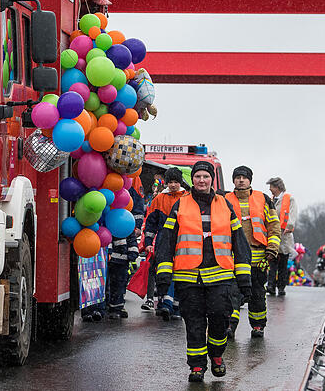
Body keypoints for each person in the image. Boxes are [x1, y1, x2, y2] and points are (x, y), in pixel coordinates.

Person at [154, 161, 251, 382]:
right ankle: (197, 367)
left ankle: (216, 356)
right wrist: (163, 274)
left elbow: (239, 242)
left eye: (205, 177)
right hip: (188, 277)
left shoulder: (225, 205)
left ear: (211, 180)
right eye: (197, 176)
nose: (201, 180)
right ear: (193, 180)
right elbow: (167, 241)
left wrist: (244, 277)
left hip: (220, 276)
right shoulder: (180, 205)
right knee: (194, 322)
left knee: (220, 319)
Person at [225, 166, 281, 338]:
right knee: (231, 294)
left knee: (257, 294)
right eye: (238, 177)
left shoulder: (263, 199)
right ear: (233, 180)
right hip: (232, 258)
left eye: (244, 177)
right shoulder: (223, 199)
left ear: (250, 180)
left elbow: (273, 226)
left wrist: (272, 251)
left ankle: (258, 326)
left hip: (258, 259)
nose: (241, 180)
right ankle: (229, 326)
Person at [143, 167, 187, 320]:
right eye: (170, 182)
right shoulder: (159, 199)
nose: (173, 185)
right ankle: (166, 304)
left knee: (179, 274)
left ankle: (174, 306)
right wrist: (148, 242)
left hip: (183, 241)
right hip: (163, 241)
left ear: (180, 182)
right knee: (164, 273)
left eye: (175, 182)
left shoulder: (187, 198)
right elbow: (150, 223)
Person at [108, 184, 144, 319]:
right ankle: (113, 307)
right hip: (114, 262)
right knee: (113, 285)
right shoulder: (111, 223)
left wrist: (133, 254)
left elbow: (132, 241)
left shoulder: (127, 224)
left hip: (122, 263)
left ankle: (117, 307)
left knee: (120, 285)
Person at [266, 177, 297, 296]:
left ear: (277, 187)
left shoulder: (289, 199)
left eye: (271, 187)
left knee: (283, 263)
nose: (270, 189)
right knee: (272, 261)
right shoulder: (272, 200)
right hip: (273, 235)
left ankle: (281, 286)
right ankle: (271, 285)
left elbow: (293, 213)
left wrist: (290, 225)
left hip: (284, 236)